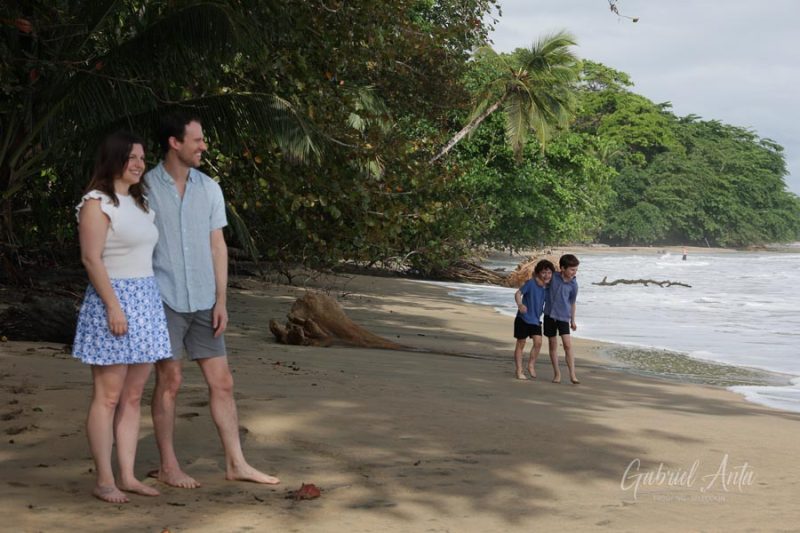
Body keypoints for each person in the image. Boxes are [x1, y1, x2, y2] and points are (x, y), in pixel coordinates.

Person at [144, 112, 280, 488]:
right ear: (174, 142)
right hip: (164, 299)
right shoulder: (145, 187)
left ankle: (236, 463)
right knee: (169, 382)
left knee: (223, 383)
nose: (203, 146)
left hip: (205, 299)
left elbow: (217, 246)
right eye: (197, 140)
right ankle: (168, 465)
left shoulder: (209, 188)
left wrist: (221, 300)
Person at [73, 131, 172, 503]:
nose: (139, 164)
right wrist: (114, 307)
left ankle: (128, 475)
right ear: (113, 159)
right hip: (112, 299)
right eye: (131, 157)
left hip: (146, 299)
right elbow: (91, 259)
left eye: (143, 158)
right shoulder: (97, 202)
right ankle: (104, 479)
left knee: (132, 397)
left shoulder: (142, 203)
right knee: (108, 396)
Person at [512, 259, 555, 380]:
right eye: (543, 272)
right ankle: (519, 370)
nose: (546, 275)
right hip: (523, 318)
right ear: (537, 273)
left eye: (549, 273)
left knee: (538, 342)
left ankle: (531, 364)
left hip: (535, 320)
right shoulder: (531, 283)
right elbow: (518, 293)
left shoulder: (547, 288)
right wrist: (520, 305)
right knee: (521, 343)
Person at [543, 254, 580, 384]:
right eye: (572, 269)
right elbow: (542, 283)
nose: (574, 272)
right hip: (549, 315)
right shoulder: (553, 277)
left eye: (576, 269)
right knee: (553, 344)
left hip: (563, 317)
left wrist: (573, 320)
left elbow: (572, 303)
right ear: (562, 268)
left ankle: (572, 374)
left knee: (567, 345)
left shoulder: (574, 285)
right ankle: (557, 373)